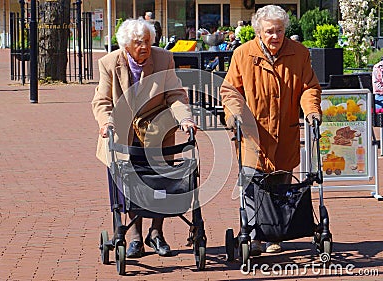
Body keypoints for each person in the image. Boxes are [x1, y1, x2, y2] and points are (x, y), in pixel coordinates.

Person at [220, 5, 321, 256]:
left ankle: (275, 234)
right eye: (269, 31)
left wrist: (311, 111)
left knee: (281, 185)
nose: (275, 36)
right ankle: (254, 235)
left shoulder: (299, 53)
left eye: (279, 31)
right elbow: (230, 90)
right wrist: (234, 114)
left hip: (285, 133)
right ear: (258, 32)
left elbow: (309, 87)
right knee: (252, 184)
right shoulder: (243, 54)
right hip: (254, 134)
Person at [92, 18, 196, 259]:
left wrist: (185, 118)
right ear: (126, 45)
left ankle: (156, 234)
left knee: (160, 183)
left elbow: (175, 94)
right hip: (122, 130)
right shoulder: (109, 63)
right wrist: (105, 122)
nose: (145, 47)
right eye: (139, 43)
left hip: (156, 131)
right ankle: (136, 237)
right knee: (131, 185)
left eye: (148, 41)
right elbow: (102, 100)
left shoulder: (163, 59)